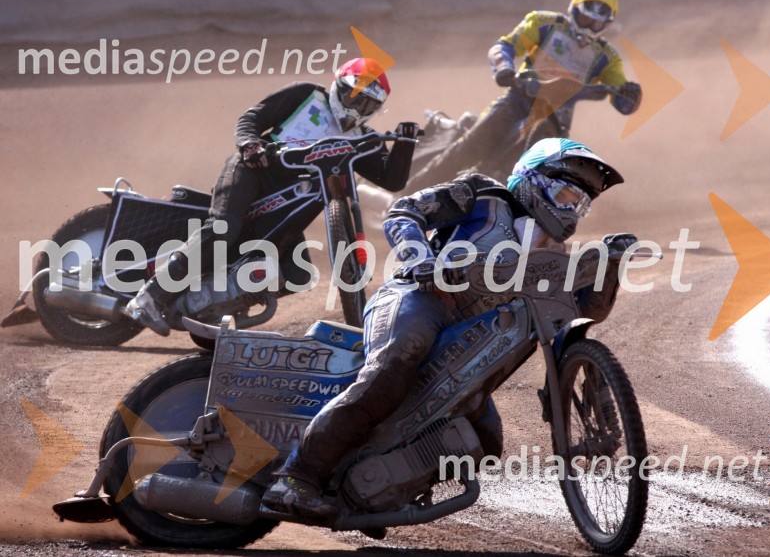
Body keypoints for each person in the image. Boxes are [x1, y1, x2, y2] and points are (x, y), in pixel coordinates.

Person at [262, 137, 637, 518]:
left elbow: (585, 311)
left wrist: (611, 265)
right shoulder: (482, 195)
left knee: (487, 444)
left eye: (579, 203)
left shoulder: (553, 255)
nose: (570, 210)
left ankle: (371, 493)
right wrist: (420, 259)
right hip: (420, 298)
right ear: (532, 179)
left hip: (470, 340)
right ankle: (295, 478)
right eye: (564, 195)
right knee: (392, 368)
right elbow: (405, 212)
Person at [125, 57, 419, 336]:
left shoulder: (361, 138)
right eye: (355, 98)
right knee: (222, 229)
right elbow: (252, 117)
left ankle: (213, 304)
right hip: (253, 173)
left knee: (298, 275)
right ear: (339, 86)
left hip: (287, 201)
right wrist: (250, 145)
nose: (358, 109)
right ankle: (148, 297)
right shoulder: (307, 96)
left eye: (368, 104)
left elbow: (391, 180)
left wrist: (405, 143)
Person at [425, 0, 642, 181]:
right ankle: (411, 192)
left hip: (557, 123)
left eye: (596, 23)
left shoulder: (607, 57)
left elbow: (621, 97)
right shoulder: (544, 24)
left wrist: (629, 95)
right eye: (586, 18)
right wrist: (504, 68)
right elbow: (505, 46)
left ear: (607, 23)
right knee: (467, 150)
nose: (589, 26)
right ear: (574, 10)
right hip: (516, 104)